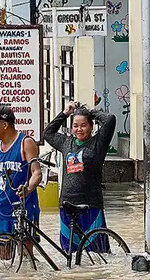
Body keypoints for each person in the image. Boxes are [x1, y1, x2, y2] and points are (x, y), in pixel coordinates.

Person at [43, 101, 117, 252]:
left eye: (83, 125)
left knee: (98, 254)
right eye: (75, 125)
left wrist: (89, 111)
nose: (79, 129)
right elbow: (47, 133)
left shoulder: (98, 143)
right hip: (67, 205)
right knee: (69, 253)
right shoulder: (65, 142)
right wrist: (65, 113)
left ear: (91, 126)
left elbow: (110, 119)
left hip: (91, 205)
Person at [0, 105, 43, 238]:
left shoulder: (25, 142)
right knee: (4, 256)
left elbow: (37, 172)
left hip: (24, 207)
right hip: (2, 208)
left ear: (5, 124)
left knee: (27, 252)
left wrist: (28, 188)